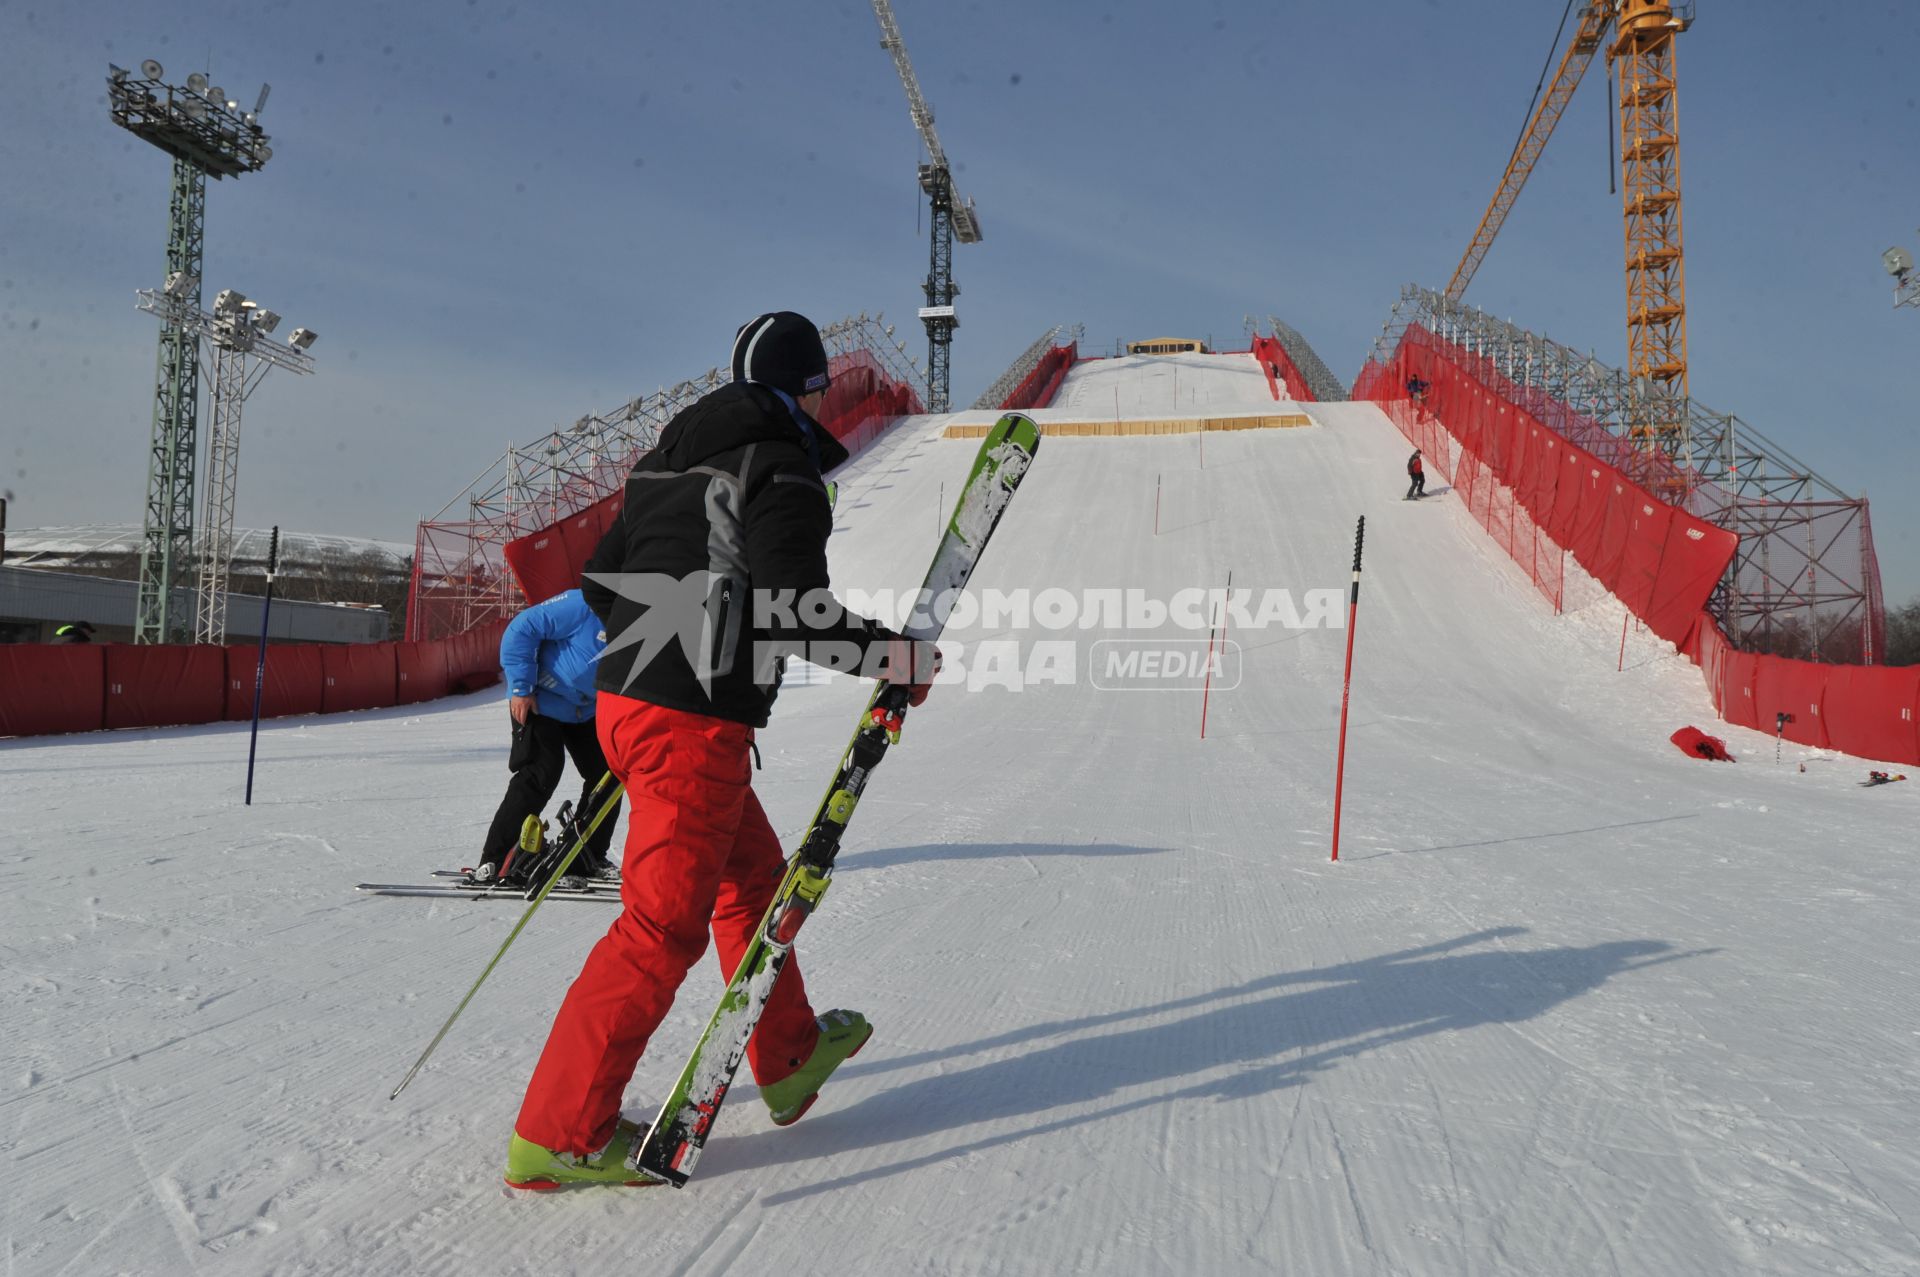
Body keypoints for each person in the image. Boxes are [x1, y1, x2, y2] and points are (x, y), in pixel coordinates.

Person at [502, 311, 938, 1190]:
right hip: (687, 721)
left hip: (629, 706)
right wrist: (895, 656)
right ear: (807, 391)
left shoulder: (666, 464)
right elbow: (787, 605)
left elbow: (597, 584)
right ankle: (559, 1134)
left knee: (752, 880)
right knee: (660, 927)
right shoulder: (781, 465)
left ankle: (788, 1054)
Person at [472, 588, 622, 886]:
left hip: (586, 710)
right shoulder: (584, 602)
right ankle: (496, 859)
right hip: (541, 698)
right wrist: (521, 688)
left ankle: (583, 858)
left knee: (609, 775)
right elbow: (521, 628)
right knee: (542, 770)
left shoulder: (650, 619)